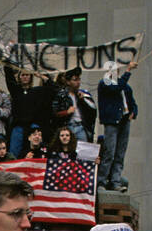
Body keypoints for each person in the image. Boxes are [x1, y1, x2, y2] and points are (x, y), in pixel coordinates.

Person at [97, 59, 139, 191]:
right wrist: (128, 71)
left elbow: (133, 103)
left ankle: (115, 181)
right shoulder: (105, 83)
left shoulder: (125, 86)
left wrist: (133, 112)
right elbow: (115, 89)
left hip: (124, 121)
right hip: (112, 122)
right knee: (109, 151)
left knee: (120, 153)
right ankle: (101, 182)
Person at [3, 63, 54, 158]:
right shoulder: (16, 91)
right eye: (23, 75)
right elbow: (9, 78)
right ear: (19, 77)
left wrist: (41, 76)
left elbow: (51, 89)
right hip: (19, 126)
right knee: (14, 152)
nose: (25, 77)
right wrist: (7, 62)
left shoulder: (37, 91)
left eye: (27, 75)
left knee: (33, 151)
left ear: (31, 77)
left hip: (32, 126)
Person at [52, 67, 96, 144]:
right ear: (68, 82)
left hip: (81, 127)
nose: (78, 82)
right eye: (75, 80)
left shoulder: (82, 94)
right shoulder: (61, 95)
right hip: (68, 127)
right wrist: (66, 112)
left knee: (83, 150)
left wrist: (83, 100)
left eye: (79, 79)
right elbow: (54, 112)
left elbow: (92, 111)